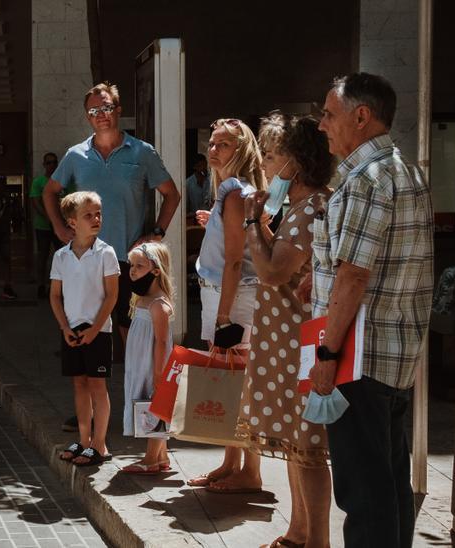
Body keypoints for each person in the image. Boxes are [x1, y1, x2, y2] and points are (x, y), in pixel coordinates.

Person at [312, 72, 433, 548]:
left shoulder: (367, 179)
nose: (322, 124)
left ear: (360, 116)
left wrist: (326, 356)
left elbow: (354, 276)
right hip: (396, 356)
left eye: (328, 113)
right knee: (387, 489)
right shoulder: (407, 170)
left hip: (360, 360)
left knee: (364, 496)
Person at [40, 82, 180, 431]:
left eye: (105, 108)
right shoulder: (76, 155)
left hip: (129, 264)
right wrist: (60, 228)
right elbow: (49, 192)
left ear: (118, 110)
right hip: (88, 262)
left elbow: (171, 195)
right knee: (89, 334)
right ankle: (91, 413)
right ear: (87, 116)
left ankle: (141, 408)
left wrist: (157, 233)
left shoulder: (142, 152)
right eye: (93, 110)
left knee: (132, 336)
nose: (100, 115)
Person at [237, 112, 336, 548]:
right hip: (290, 343)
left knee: (310, 451)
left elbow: (274, 272)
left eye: (273, 155)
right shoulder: (298, 208)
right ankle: (299, 534)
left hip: (303, 346)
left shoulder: (308, 209)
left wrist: (251, 222)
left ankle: (316, 541)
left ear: (296, 162)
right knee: (299, 447)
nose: (265, 165)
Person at [186, 118, 266, 494]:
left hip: (231, 298)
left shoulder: (235, 192)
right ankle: (232, 463)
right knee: (233, 382)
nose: (213, 150)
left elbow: (236, 261)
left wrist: (222, 316)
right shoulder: (231, 192)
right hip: (224, 293)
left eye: (223, 145)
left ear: (242, 150)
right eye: (212, 143)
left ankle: (249, 471)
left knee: (240, 384)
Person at [50, 191, 119, 468]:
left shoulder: (106, 253)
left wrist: (95, 329)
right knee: (79, 384)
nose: (96, 219)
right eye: (88, 215)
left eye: (98, 213)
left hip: (98, 330)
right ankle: (84, 438)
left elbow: (112, 295)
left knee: (97, 385)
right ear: (72, 222)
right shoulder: (61, 256)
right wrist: (64, 327)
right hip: (72, 330)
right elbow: (56, 295)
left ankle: (99, 444)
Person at [119, 242, 174, 474]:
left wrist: (159, 372)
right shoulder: (141, 299)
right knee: (149, 403)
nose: (132, 270)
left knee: (155, 404)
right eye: (132, 265)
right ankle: (160, 456)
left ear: (155, 270)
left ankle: (151, 458)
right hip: (139, 360)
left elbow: (161, 341)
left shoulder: (158, 304)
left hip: (152, 362)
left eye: (139, 266)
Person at [29, 152, 60, 298]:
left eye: (54, 162)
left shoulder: (62, 181)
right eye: (49, 163)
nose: (52, 165)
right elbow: (36, 203)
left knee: (63, 256)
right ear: (44, 165)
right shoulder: (38, 182)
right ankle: (41, 285)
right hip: (43, 226)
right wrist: (50, 218)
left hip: (61, 226)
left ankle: (60, 287)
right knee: (42, 256)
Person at [185, 153, 212, 224]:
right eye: (200, 166)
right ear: (195, 167)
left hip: (210, 220)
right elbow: (186, 206)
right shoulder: (188, 183)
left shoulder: (212, 181)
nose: (203, 169)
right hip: (194, 221)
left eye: (205, 165)